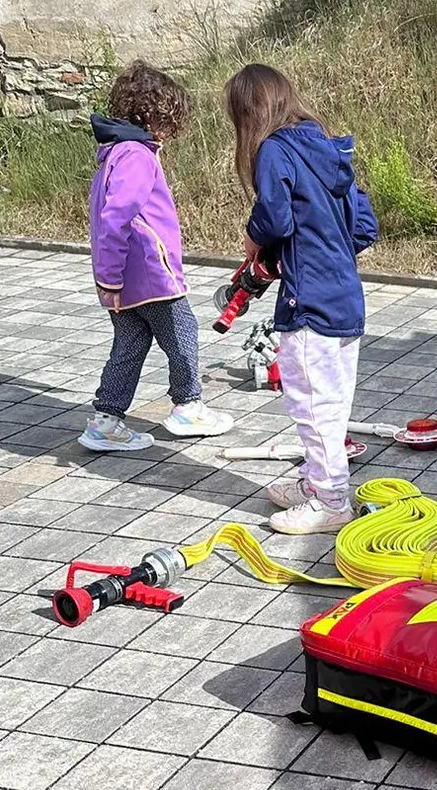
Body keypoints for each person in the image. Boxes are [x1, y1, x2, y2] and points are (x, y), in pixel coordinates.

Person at [225, 63, 379, 535]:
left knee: (312, 406)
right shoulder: (329, 148)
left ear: (249, 114)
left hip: (307, 303)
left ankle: (330, 500)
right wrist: (321, 249)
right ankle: (317, 481)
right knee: (332, 402)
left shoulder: (275, 149)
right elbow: (364, 227)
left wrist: (256, 242)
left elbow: (274, 221)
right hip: (346, 298)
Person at [82, 61, 234, 452]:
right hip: (150, 274)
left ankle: (106, 421)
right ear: (153, 116)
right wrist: (111, 277)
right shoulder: (136, 155)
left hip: (122, 277)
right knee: (182, 332)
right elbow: (116, 218)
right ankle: (188, 405)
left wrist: (108, 277)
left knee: (130, 346)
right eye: (169, 123)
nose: (170, 134)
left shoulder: (115, 152)